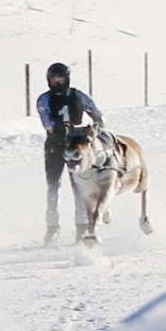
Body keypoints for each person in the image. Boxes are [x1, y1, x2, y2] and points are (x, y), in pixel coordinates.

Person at [37, 62, 105, 246]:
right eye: (53, 79)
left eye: (61, 78)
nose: (57, 82)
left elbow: (96, 114)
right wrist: (61, 129)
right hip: (55, 146)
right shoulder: (44, 100)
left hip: (77, 146)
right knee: (53, 186)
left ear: (67, 78)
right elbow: (47, 123)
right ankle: (52, 226)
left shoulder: (78, 96)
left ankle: (82, 226)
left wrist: (94, 128)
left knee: (79, 186)